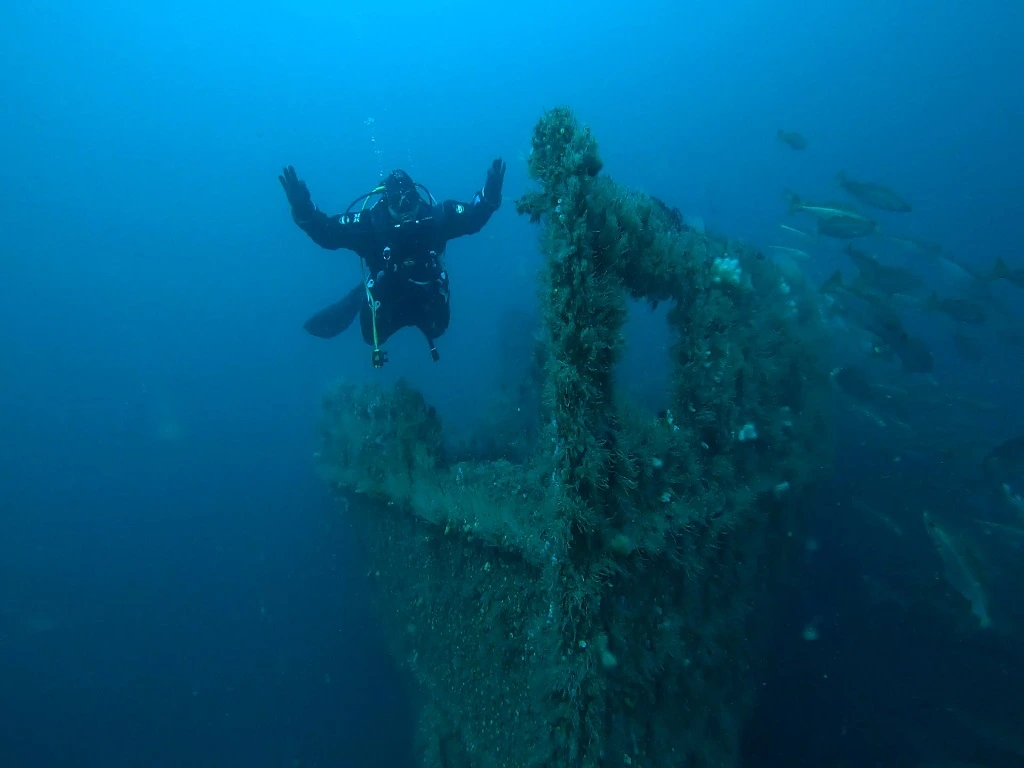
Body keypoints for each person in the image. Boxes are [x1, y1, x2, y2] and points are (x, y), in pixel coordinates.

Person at [279, 159, 506, 367]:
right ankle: (363, 293)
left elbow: (474, 217)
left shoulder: (436, 219)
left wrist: (491, 192)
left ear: (418, 197)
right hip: (386, 295)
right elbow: (328, 233)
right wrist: (303, 208)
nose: (406, 208)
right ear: (386, 202)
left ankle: (369, 292)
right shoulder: (370, 225)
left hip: (426, 291)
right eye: (398, 202)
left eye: (410, 199)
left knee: (438, 329)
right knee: (370, 336)